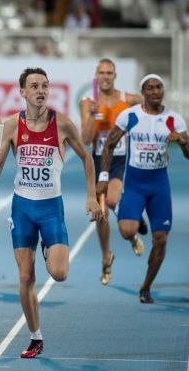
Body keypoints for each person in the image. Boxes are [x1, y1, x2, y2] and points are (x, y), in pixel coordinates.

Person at [0, 67, 102, 358]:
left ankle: (47, 245)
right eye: (34, 86)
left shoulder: (61, 123)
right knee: (26, 277)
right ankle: (36, 337)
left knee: (59, 273)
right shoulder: (11, 126)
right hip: (22, 207)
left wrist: (92, 196)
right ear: (23, 92)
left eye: (45, 86)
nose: (41, 90)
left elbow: (87, 158)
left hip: (51, 208)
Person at [98, 74, 189, 304]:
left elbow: (188, 155)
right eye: (151, 88)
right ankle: (136, 220)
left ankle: (146, 287)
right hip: (135, 183)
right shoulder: (130, 116)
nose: (156, 91)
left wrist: (184, 141)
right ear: (144, 91)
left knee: (160, 240)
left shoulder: (174, 119)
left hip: (159, 185)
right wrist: (104, 176)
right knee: (127, 231)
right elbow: (109, 144)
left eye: (160, 87)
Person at [80, 58, 147, 286]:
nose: (106, 76)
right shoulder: (88, 103)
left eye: (110, 72)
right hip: (98, 161)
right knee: (100, 216)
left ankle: (131, 228)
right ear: (96, 76)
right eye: (102, 72)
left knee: (111, 199)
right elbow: (86, 139)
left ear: (115, 76)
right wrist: (91, 115)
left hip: (120, 161)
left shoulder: (129, 101)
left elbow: (152, 108)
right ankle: (107, 256)